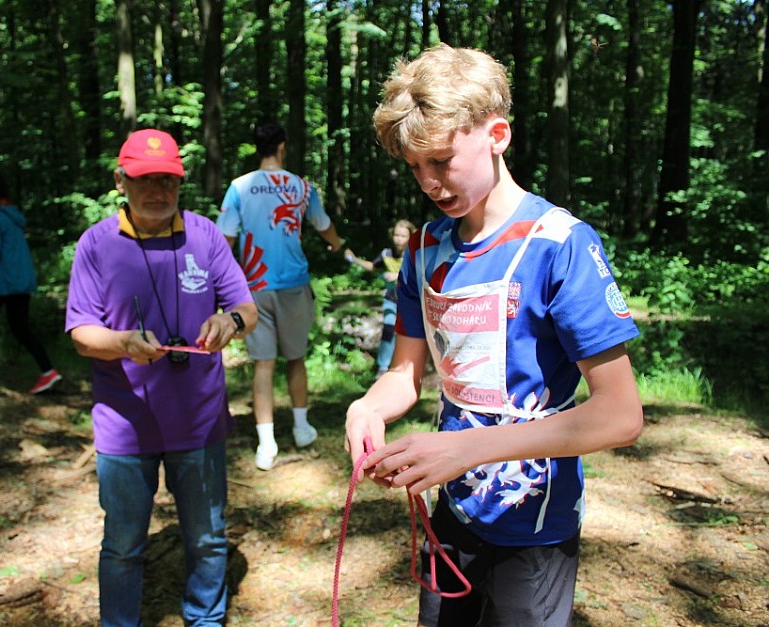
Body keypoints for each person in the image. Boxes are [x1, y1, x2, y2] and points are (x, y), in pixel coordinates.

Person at [344, 45, 644, 626]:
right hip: (450, 506)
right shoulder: (425, 247)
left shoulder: (560, 244)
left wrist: (467, 449)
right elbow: (404, 374)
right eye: (414, 167)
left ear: (497, 134)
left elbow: (620, 415)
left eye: (441, 161)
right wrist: (368, 406)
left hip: (534, 520)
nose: (429, 182)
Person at [65, 128, 258, 627]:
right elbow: (82, 333)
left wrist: (229, 322)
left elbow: (246, 308)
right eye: (144, 179)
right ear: (120, 180)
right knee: (124, 545)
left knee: (208, 537)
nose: (157, 191)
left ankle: (206, 620)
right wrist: (124, 342)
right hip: (124, 425)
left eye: (168, 181)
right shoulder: (97, 244)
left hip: (197, 421)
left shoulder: (205, 234)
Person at [216, 121, 345, 470]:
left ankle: (266, 442)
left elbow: (222, 241)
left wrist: (222, 285)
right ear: (283, 146)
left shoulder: (239, 187)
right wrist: (336, 244)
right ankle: (302, 428)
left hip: (253, 287)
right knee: (296, 358)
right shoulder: (301, 186)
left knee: (263, 363)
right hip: (294, 285)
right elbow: (323, 225)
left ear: (258, 148)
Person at [0, 169, 62, 394]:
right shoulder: (11, 214)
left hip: (2, 283)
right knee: (20, 328)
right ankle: (48, 371)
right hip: (19, 280)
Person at [345, 218, 418, 377]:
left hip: (411, 300)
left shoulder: (416, 254)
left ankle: (406, 366)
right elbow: (372, 266)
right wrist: (355, 259)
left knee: (409, 333)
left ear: (410, 237)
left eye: (403, 236)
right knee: (389, 328)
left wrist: (397, 275)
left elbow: (420, 276)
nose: (399, 239)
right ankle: (383, 368)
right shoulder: (387, 254)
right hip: (391, 298)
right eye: (396, 235)